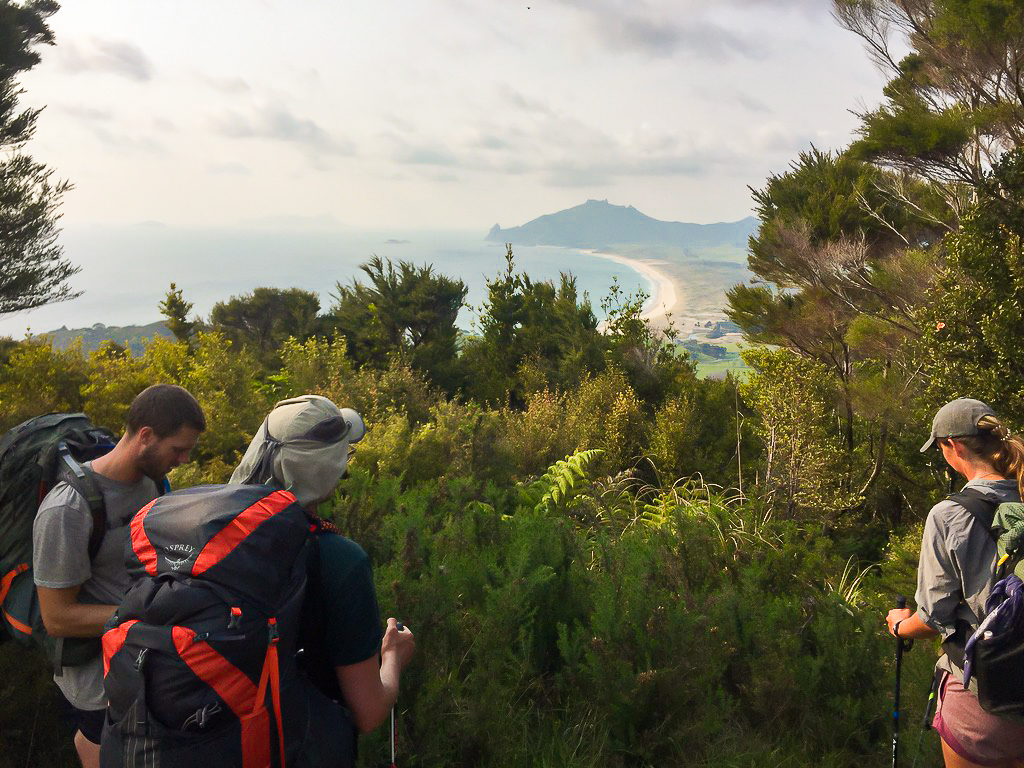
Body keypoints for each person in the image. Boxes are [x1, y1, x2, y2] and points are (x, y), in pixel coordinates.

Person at [33, 384, 205, 768]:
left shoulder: (152, 484)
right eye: (178, 448)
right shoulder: (68, 508)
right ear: (145, 436)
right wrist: (147, 612)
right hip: (96, 684)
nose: (184, 458)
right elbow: (57, 617)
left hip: (140, 663)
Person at [229, 394, 416, 749]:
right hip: (292, 744)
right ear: (327, 468)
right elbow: (369, 713)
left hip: (213, 735)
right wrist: (394, 656)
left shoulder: (213, 535)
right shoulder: (340, 560)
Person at [886, 398, 1024, 768]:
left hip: (983, 700)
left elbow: (932, 620)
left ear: (953, 446)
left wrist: (899, 626)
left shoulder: (949, 515)